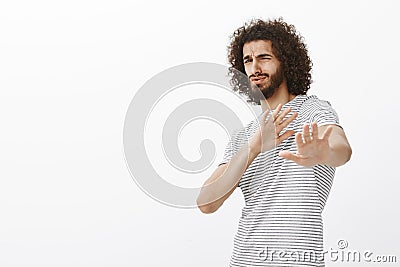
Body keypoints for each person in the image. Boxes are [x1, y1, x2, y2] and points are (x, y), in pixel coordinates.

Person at [196, 18, 352, 266]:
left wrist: (323, 153)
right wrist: (255, 146)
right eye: (248, 60)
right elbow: (206, 202)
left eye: (264, 58)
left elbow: (341, 149)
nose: (254, 67)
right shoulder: (243, 136)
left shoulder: (313, 110)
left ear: (285, 62)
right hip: (245, 260)